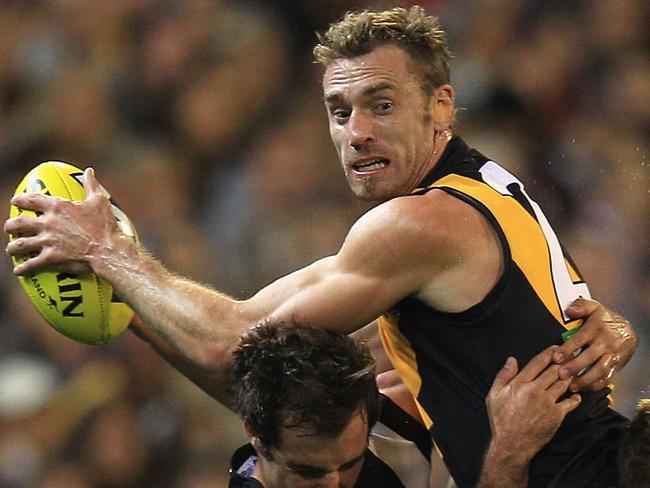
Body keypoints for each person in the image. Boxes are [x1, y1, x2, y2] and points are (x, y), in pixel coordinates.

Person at [5, 6, 638, 487]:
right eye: (340, 112)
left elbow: (236, 353)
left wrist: (107, 253)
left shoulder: (420, 226)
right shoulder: (490, 190)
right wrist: (131, 304)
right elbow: (262, 369)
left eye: (382, 105)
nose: (358, 133)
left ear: (440, 106)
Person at [227, 323, 581, 488]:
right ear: (255, 434)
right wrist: (508, 455)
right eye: (309, 472)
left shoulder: (393, 413)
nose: (335, 486)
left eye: (351, 463)